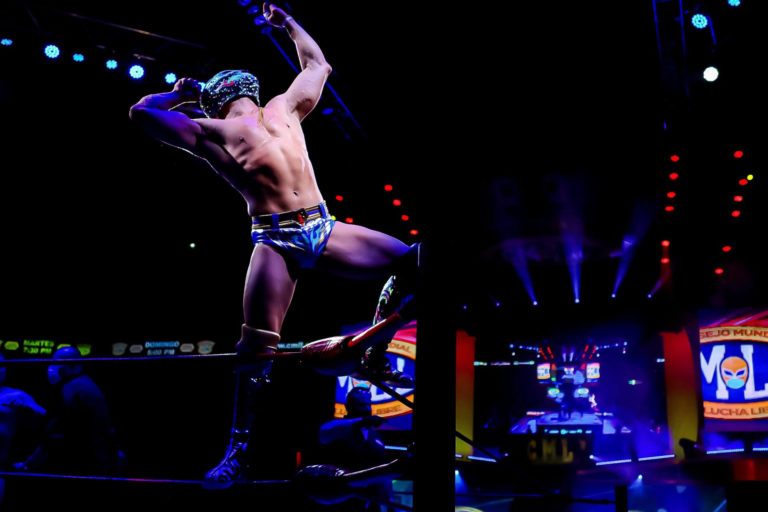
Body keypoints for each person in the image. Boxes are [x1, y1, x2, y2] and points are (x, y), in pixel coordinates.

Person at [128, 3, 417, 488]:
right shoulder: (234, 125)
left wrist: (178, 94)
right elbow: (316, 64)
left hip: (313, 227)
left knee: (414, 262)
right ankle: (239, 451)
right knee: (257, 347)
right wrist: (286, 24)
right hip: (281, 237)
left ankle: (374, 349)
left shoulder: (256, 115)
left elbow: (142, 111)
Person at [13, 346, 124, 476]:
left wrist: (27, 466)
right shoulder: (83, 384)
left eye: (57, 364)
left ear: (74, 366)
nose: (51, 368)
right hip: (96, 463)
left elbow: (55, 436)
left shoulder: (74, 390)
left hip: (84, 466)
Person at [297, 386, 406, 511]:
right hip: (340, 500)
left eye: (368, 404)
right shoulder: (338, 428)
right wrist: (362, 421)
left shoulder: (376, 437)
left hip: (369, 502)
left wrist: (390, 502)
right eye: (361, 405)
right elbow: (324, 432)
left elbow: (381, 469)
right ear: (349, 407)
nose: (367, 409)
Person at [0, 354, 47, 503]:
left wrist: (29, 409)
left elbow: (48, 422)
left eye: (2, 366)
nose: (0, 370)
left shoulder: (16, 396)